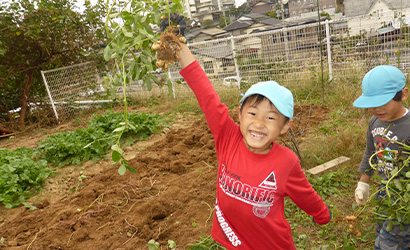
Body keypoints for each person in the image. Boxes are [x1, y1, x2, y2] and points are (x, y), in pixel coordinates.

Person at [160, 14, 332, 249]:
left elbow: (306, 194)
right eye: (252, 113)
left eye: (271, 117)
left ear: (285, 126)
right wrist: (178, 46)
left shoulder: (286, 162)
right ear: (239, 115)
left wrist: (322, 214)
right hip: (231, 240)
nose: (259, 123)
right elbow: (205, 92)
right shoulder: (227, 137)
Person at [353, 65, 410, 250]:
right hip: (384, 193)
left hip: (404, 200)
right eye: (371, 104)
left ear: (403, 95)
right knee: (382, 233)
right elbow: (371, 153)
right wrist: (364, 182)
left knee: (387, 245)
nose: (377, 109)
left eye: (383, 102)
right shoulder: (374, 122)